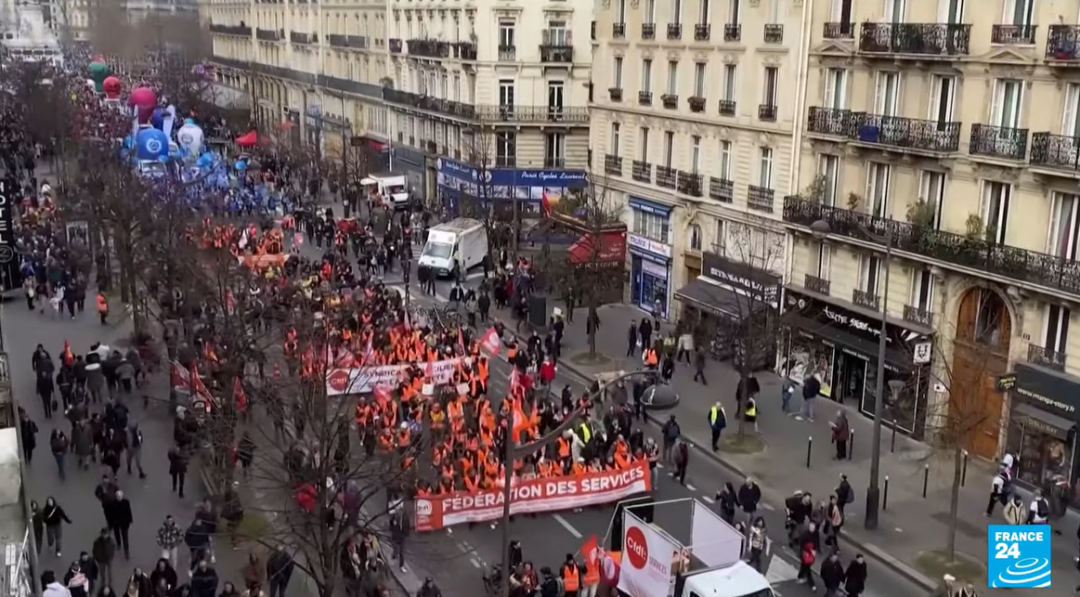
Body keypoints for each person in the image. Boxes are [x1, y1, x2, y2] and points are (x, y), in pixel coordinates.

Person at [104, 490, 132, 559]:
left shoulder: (126, 502)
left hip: (124, 522)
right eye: (118, 497)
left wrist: (130, 520)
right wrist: (110, 523)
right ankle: (119, 544)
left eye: (120, 496)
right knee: (117, 534)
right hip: (116, 522)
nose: (119, 498)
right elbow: (110, 514)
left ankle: (126, 551)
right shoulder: (112, 504)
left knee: (125, 537)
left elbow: (129, 511)